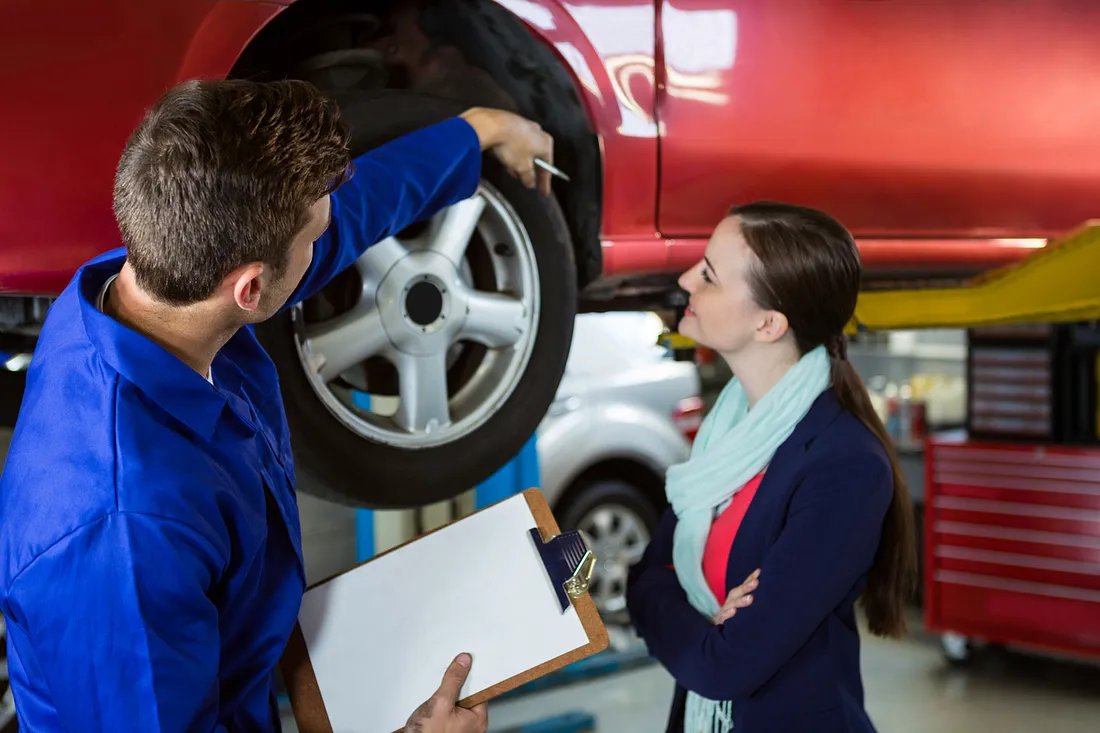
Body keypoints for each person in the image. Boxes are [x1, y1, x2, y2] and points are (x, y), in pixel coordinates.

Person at [0, 78, 555, 733]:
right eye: (311, 239)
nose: (326, 243)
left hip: (235, 677)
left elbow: (348, 217)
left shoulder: (151, 277)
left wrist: (478, 130)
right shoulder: (125, 532)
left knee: (554, 577)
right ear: (251, 286)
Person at [625, 202, 918, 733]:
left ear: (767, 323)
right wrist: (705, 628)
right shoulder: (728, 433)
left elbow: (726, 667)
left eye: (710, 275)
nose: (687, 278)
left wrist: (690, 619)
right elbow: (643, 581)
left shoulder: (846, 466)